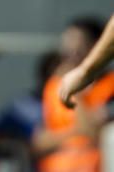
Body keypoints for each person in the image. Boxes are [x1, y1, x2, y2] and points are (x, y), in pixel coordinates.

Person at [34, 17, 114, 172]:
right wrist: (75, 132)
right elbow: (38, 142)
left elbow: (94, 134)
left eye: (78, 47)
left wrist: (77, 92)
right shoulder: (54, 86)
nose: (71, 53)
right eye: (68, 46)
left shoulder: (110, 84)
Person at [59, 14, 114, 107]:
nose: (72, 55)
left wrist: (83, 74)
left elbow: (90, 122)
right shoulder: (56, 83)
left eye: (78, 51)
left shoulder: (110, 84)